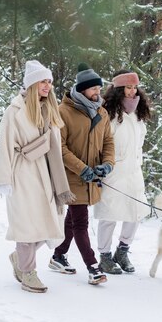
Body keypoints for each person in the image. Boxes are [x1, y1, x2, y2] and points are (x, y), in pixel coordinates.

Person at [0, 60, 75, 293]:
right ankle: (28, 272)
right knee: (27, 224)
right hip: (23, 173)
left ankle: (20, 257)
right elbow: (5, 145)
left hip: (47, 174)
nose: (48, 86)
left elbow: (56, 147)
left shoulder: (50, 109)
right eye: (43, 81)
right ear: (32, 84)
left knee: (51, 224)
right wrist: (4, 179)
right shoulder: (15, 111)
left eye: (49, 82)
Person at [48, 63, 115, 285]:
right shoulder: (63, 111)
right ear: (82, 89)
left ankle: (58, 256)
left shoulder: (102, 112)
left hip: (92, 177)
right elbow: (60, 147)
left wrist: (107, 164)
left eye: (99, 88)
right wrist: (81, 168)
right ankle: (93, 267)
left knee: (73, 218)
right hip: (71, 175)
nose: (98, 92)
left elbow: (108, 141)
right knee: (80, 222)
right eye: (93, 88)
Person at [93, 69, 152, 274]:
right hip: (113, 172)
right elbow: (99, 143)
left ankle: (122, 251)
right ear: (118, 89)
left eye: (135, 87)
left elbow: (140, 144)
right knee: (109, 214)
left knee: (135, 213)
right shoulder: (108, 113)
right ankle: (105, 256)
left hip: (134, 172)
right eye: (128, 87)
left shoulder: (138, 113)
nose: (132, 91)